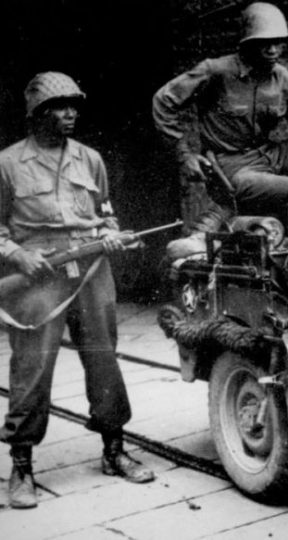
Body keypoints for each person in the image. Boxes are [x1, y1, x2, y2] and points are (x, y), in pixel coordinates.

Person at [0, 72, 154, 509]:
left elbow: (106, 214)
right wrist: (15, 254)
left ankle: (114, 449)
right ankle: (22, 465)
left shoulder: (90, 159)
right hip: (39, 274)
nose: (71, 113)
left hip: (90, 271)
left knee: (104, 358)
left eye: (74, 105)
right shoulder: (7, 164)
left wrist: (110, 233)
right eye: (61, 106)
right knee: (31, 369)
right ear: (37, 114)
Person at [153, 2, 288, 244]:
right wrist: (185, 155)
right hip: (232, 167)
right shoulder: (216, 70)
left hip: (270, 154)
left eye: (278, 42)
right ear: (247, 43)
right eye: (265, 43)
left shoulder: (283, 77)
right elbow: (164, 100)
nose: (273, 49)